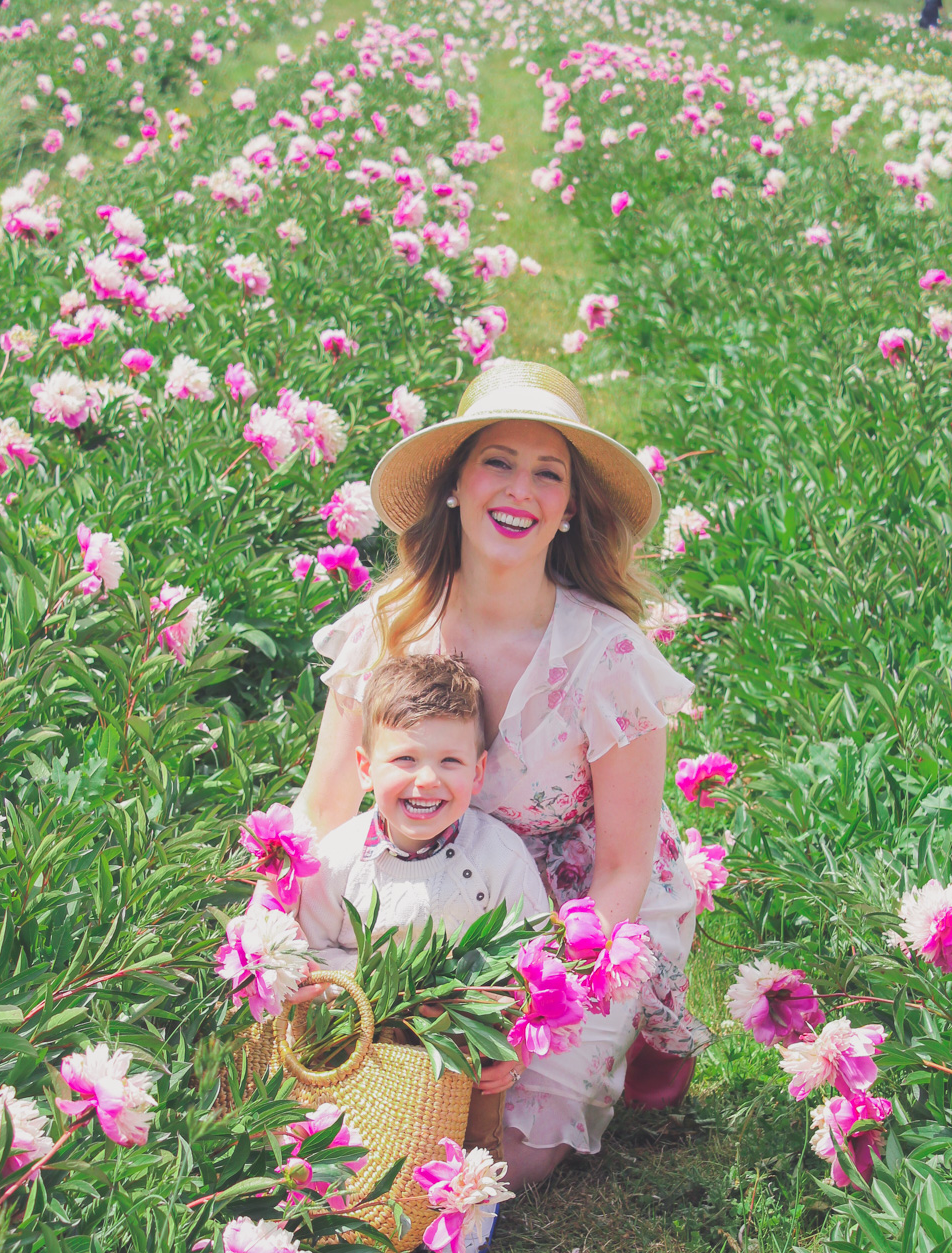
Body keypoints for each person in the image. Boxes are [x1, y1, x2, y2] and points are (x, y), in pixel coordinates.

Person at [293, 360, 707, 1191]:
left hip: (565, 914)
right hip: (409, 889)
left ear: (567, 510)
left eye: (547, 473)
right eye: (498, 462)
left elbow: (624, 866)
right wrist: (273, 941)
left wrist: (538, 986)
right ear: (454, 484)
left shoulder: (608, 656)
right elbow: (326, 802)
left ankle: (622, 1049)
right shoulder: (392, 624)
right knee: (324, 1101)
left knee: (491, 1161)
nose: (520, 489)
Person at [295, 652, 549, 1160]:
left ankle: (463, 1216)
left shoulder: (497, 856)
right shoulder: (340, 860)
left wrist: (517, 1050)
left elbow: (536, 960)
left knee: (471, 1142)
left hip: (461, 1046)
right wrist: (365, 982)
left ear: (478, 773)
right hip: (359, 1041)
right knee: (363, 1143)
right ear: (366, 769)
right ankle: (358, 1196)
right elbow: (308, 950)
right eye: (406, 760)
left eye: (449, 762)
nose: (428, 780)